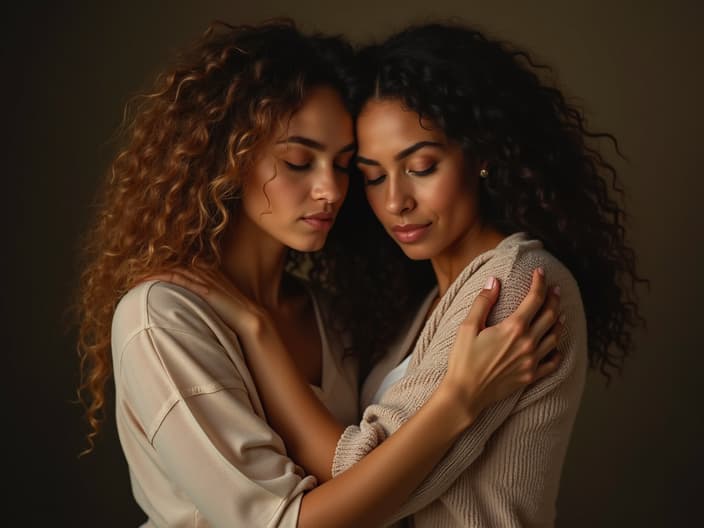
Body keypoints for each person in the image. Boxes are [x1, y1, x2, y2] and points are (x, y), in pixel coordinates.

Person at [76, 20, 564, 527]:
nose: (331, 189)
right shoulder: (163, 319)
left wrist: (258, 328)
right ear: (229, 160)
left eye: (346, 166)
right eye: (298, 161)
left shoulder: (329, 315)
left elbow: (362, 476)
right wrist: (456, 402)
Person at [166, 22, 645, 527]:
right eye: (372, 176)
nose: (395, 202)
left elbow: (353, 470)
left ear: (481, 154)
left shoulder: (514, 285)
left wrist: (255, 329)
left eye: (420, 167)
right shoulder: (427, 304)